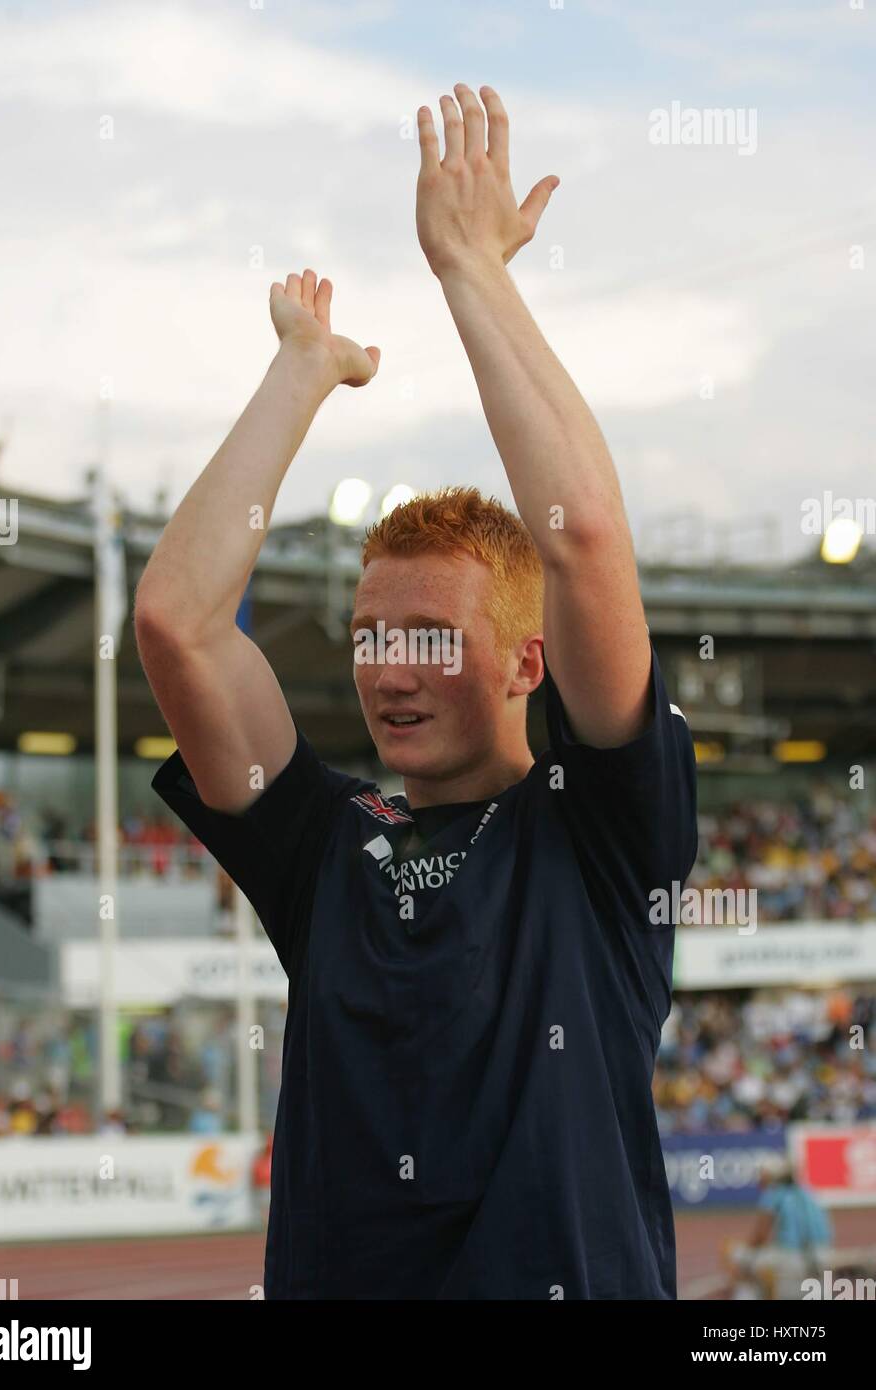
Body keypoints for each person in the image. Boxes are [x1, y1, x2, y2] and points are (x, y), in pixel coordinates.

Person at [136, 83, 697, 1299]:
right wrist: (301, 373)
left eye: (433, 639)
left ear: (523, 662)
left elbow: (586, 540)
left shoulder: (600, 830)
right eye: (368, 636)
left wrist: (469, 270)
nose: (391, 669)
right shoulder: (328, 849)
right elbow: (178, 625)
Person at [724, 1157, 834, 1299]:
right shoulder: (808, 1192)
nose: (759, 1181)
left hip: (792, 1257)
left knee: (738, 1257)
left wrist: (745, 1256)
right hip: (823, 1255)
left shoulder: (773, 1194)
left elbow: (760, 1237)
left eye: (761, 1176)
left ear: (771, 1177)